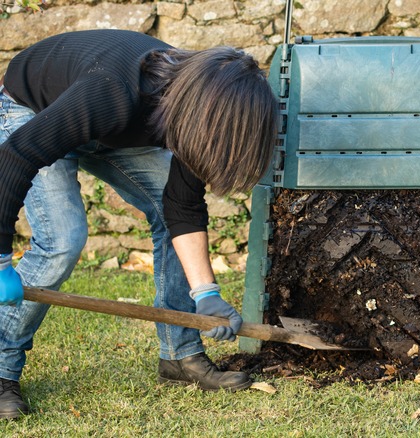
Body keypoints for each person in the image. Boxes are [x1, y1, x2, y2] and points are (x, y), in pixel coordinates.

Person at [0, 29, 278, 419]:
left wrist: (205, 293)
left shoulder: (198, 104)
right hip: (33, 108)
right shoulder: (111, 90)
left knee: (166, 210)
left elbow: (181, 206)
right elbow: (14, 158)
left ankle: (180, 356)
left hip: (116, 127)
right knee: (63, 238)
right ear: (204, 116)